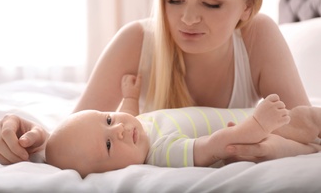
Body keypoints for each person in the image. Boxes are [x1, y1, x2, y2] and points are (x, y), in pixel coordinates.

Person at [0, 0, 321, 165]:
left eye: (211, 4)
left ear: (247, 6)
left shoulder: (257, 35)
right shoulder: (135, 41)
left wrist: (277, 150)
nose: (188, 18)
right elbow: (74, 137)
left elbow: (308, 132)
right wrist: (24, 133)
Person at [45, 75, 321, 178]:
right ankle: (308, 143)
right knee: (302, 124)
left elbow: (126, 114)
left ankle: (308, 142)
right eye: (108, 145)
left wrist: (129, 97)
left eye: (107, 119)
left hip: (253, 118)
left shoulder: (135, 129)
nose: (117, 128)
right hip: (251, 131)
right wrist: (258, 124)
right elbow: (212, 146)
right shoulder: (162, 153)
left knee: (305, 126)